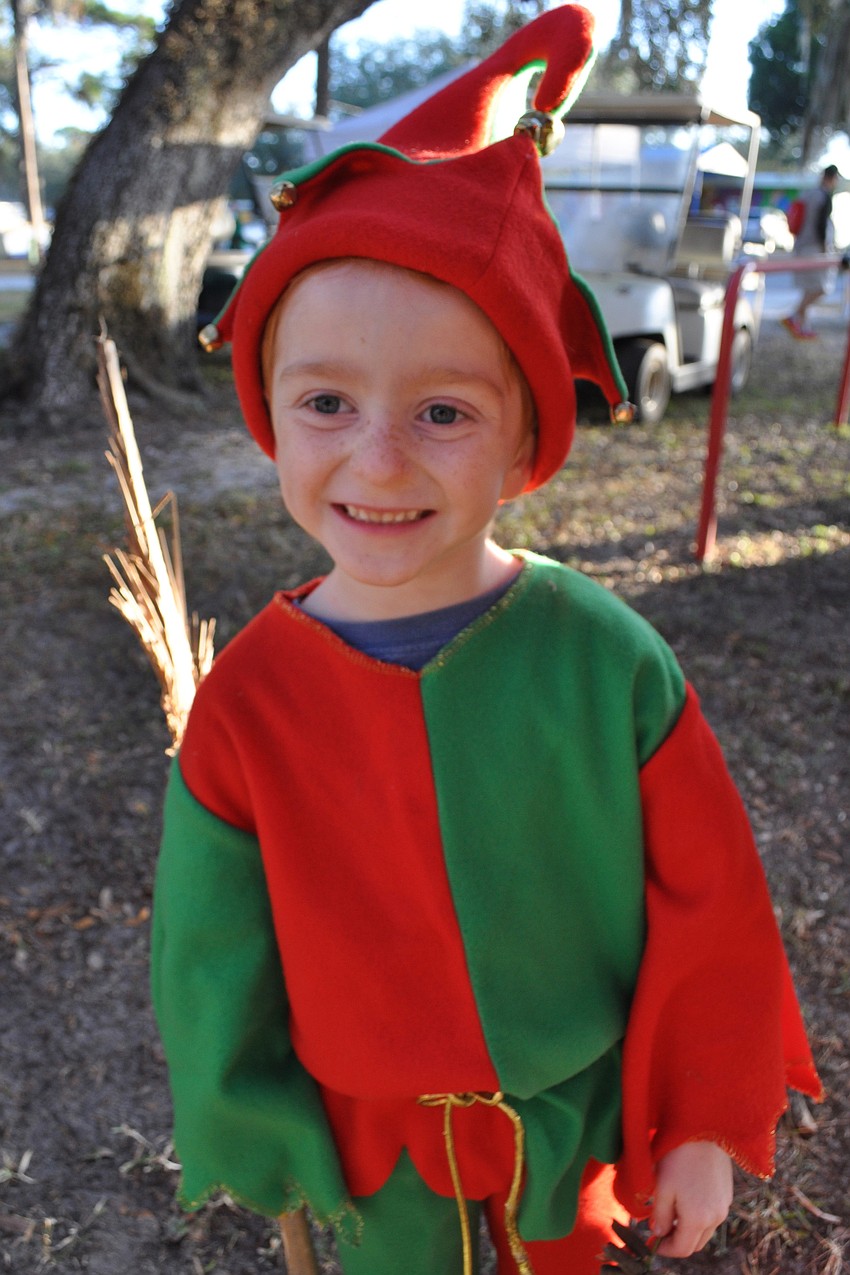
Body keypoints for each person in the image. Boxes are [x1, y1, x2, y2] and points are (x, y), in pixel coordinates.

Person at [151, 8, 822, 1274]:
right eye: (328, 403)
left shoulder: (603, 662)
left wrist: (698, 1125)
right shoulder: (249, 704)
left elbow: (712, 905)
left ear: (525, 443)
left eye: (443, 410)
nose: (378, 458)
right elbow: (210, 946)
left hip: (571, 1142)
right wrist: (254, 1119)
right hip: (369, 1158)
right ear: (269, 417)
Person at [781, 163, 840, 339]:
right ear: (832, 178)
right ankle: (794, 316)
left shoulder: (807, 194)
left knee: (809, 288)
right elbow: (820, 225)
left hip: (801, 245)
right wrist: (824, 246)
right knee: (821, 287)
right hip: (816, 248)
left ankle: (804, 327)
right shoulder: (823, 196)